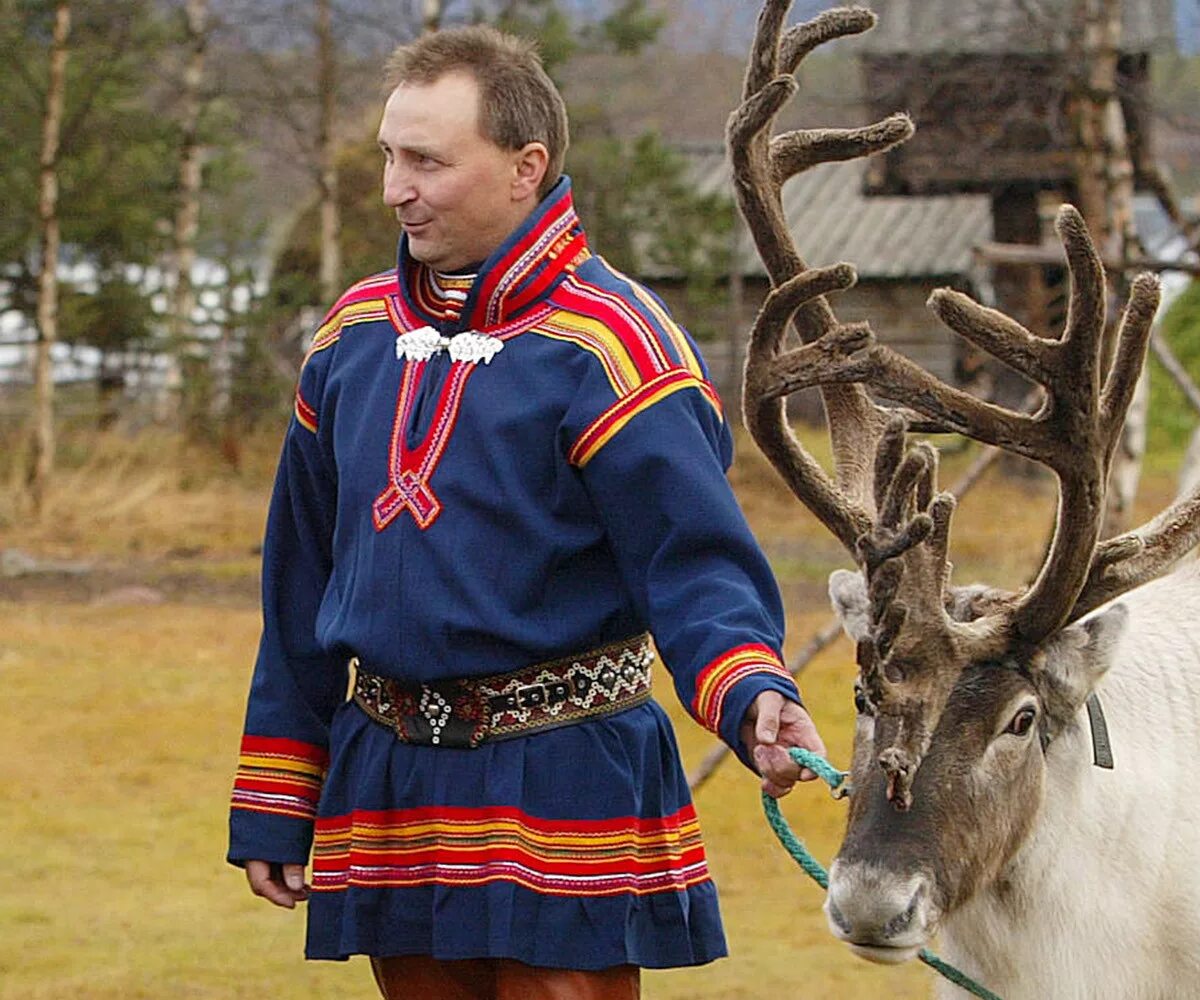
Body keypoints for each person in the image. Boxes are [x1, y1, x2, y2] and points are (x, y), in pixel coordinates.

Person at [227, 25, 824, 1000]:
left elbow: (694, 561)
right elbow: (298, 585)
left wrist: (751, 687)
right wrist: (279, 792)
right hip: (391, 769)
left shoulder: (616, 347)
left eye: (427, 160)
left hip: (563, 769)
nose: (394, 188)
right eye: (389, 155)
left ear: (524, 167)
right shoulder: (350, 340)